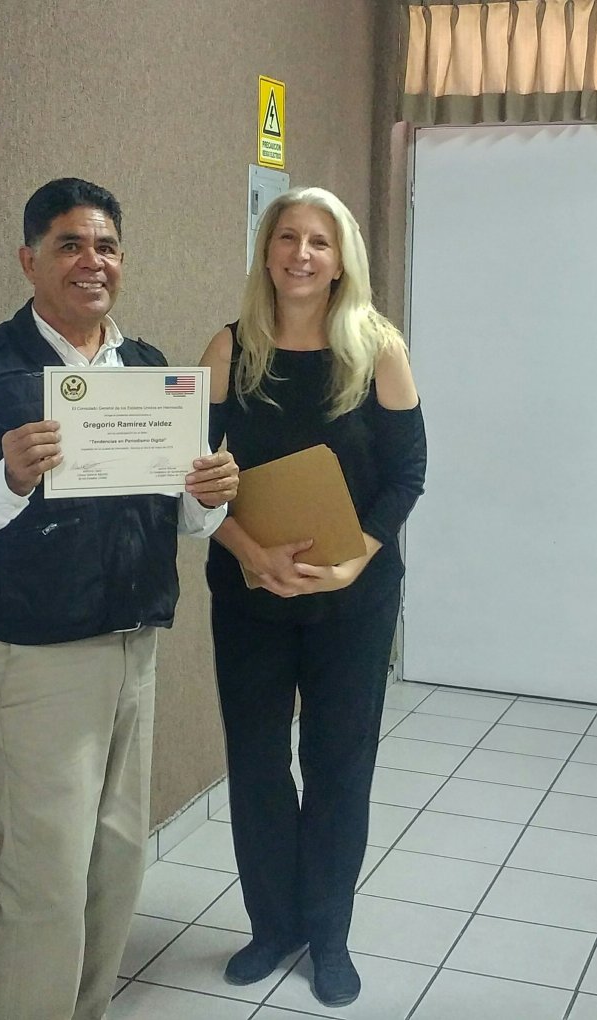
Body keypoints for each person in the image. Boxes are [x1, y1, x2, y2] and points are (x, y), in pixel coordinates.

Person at [0, 177, 238, 1020]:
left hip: (134, 646)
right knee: (47, 880)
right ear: (29, 261)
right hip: (38, 664)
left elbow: (183, 517)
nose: (92, 262)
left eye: (106, 246)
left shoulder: (147, 369)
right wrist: (8, 478)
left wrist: (208, 494)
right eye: (69, 245)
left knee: (117, 864)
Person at [200, 186, 426, 1007]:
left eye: (319, 242)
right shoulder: (228, 349)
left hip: (350, 602)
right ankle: (272, 927)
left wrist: (355, 562)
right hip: (249, 592)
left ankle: (328, 937)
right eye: (287, 237)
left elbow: (406, 475)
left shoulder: (376, 349)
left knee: (337, 766)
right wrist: (248, 551)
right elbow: (193, 479)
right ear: (265, 252)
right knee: (257, 764)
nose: (301, 254)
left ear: (340, 262)